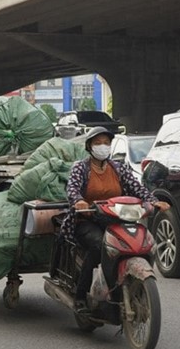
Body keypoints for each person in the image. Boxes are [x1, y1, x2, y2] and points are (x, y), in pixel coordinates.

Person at [62, 126, 170, 314]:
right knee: (98, 246)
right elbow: (72, 189)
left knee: (138, 243)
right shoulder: (81, 167)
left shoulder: (119, 168)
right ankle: (81, 296)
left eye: (106, 143)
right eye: (98, 143)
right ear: (89, 147)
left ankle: (127, 282)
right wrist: (79, 201)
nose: (102, 147)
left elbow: (137, 188)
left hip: (115, 219)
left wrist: (153, 201)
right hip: (87, 219)